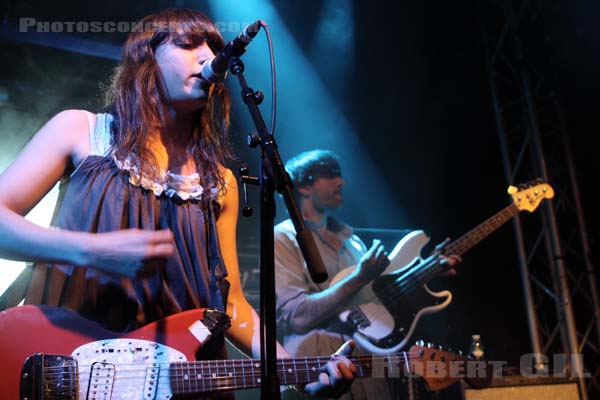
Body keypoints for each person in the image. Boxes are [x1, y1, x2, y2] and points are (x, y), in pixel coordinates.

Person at [0, 9, 356, 399]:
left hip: (181, 380)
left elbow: (230, 302)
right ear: (147, 59)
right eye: (188, 45)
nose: (207, 57)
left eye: (213, 47)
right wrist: (92, 251)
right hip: (71, 368)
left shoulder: (220, 183)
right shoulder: (82, 131)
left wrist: (294, 370)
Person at [274, 149, 462, 399]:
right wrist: (360, 276)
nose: (341, 181)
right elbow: (297, 318)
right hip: (314, 370)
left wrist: (428, 270)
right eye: (330, 175)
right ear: (305, 187)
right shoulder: (283, 238)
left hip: (368, 368)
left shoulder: (353, 242)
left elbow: (375, 304)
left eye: (339, 174)